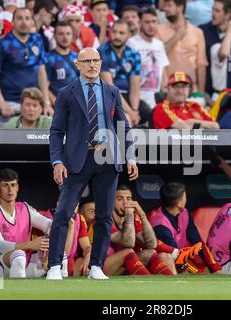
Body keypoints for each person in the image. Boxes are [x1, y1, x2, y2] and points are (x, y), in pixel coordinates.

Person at [47, 47, 138, 280]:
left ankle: (96, 266)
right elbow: (57, 130)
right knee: (63, 213)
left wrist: (130, 155)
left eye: (95, 60)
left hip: (107, 158)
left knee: (105, 216)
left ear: (100, 62)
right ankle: (55, 266)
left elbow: (123, 127)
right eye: (86, 61)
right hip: (77, 160)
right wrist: (57, 160)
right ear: (78, 64)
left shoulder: (112, 91)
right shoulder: (66, 93)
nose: (91, 65)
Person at [0, 7, 53, 126]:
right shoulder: (2, 44)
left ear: (32, 21)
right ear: (12, 22)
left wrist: (46, 102)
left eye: (27, 18)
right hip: (11, 102)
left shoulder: (37, 39)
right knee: (12, 142)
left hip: (34, 103)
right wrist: (2, 104)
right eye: (19, 18)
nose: (24, 22)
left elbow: (42, 71)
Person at [98, 185, 174, 276]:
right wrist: (129, 213)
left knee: (150, 253)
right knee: (128, 251)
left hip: (123, 264)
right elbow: (128, 243)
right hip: (101, 266)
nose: (126, 203)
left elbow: (152, 244)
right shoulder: (104, 220)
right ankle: (151, 282)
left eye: (128, 199)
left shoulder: (132, 218)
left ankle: (171, 281)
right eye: (119, 199)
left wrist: (142, 214)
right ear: (110, 202)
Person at [0, 168, 54, 278]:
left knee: (59, 256)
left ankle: (62, 293)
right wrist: (30, 245)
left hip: (26, 263)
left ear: (17, 187)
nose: (10, 189)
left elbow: (49, 224)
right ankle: (17, 293)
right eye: (5, 185)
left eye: (13, 185)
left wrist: (48, 247)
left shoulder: (24, 208)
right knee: (19, 255)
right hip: (0, 264)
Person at [149, 182, 223, 274]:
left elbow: (198, 242)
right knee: (201, 274)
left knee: (210, 271)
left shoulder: (184, 213)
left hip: (184, 260)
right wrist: (198, 273)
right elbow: (177, 258)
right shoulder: (160, 225)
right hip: (169, 265)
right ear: (179, 203)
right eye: (184, 196)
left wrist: (215, 267)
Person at [157, 0, 208, 98]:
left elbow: (201, 64)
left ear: (180, 8)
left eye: (169, 5)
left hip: (191, 90)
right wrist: (177, 36)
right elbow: (158, 56)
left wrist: (201, 93)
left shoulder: (197, 32)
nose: (165, 9)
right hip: (168, 90)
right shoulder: (158, 30)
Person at [98, 20, 143, 127]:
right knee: (125, 119)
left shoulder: (134, 55)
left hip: (127, 97)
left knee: (150, 113)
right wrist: (131, 113)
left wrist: (135, 110)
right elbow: (110, 87)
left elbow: (135, 87)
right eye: (114, 32)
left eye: (121, 33)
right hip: (106, 97)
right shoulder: (101, 52)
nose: (116, 36)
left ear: (129, 35)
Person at [127, 7, 169, 110]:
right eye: (147, 22)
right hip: (138, 98)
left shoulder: (159, 44)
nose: (151, 26)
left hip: (156, 99)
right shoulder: (131, 43)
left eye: (154, 22)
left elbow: (163, 71)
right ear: (140, 23)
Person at [153, 71, 219, 129]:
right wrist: (204, 126)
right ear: (167, 89)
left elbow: (216, 126)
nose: (180, 90)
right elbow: (184, 127)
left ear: (189, 89)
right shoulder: (161, 108)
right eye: (175, 86)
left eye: (184, 86)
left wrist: (192, 122)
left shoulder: (195, 105)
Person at [199, 0, 231, 98]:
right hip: (209, 91)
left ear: (228, 15)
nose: (213, 14)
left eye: (217, 11)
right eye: (213, 10)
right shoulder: (203, 30)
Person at [45, 21, 79, 102]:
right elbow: (44, 86)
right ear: (54, 36)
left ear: (72, 36)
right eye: (61, 34)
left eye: (68, 34)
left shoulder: (78, 57)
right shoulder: (48, 58)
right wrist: (56, 103)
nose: (65, 37)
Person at [64, 205, 92, 277]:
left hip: (72, 259)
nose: (72, 206)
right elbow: (65, 252)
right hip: (48, 259)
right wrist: (71, 227)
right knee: (68, 262)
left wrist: (88, 254)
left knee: (86, 262)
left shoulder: (79, 219)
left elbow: (86, 246)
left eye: (76, 203)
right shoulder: (50, 217)